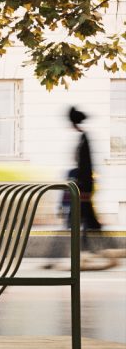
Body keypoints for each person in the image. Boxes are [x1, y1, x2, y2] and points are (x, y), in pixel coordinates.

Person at [67, 105, 113, 270]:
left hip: (84, 186)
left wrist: (85, 190)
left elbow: (86, 166)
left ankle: (97, 250)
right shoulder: (83, 138)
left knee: (87, 219)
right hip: (84, 185)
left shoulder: (84, 139)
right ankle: (94, 250)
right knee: (87, 220)